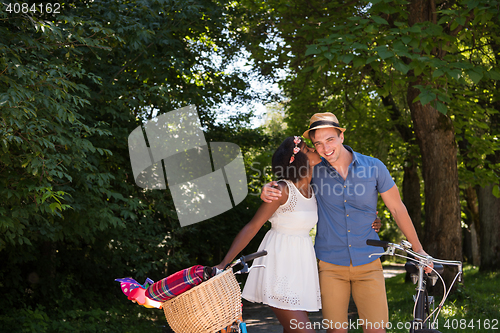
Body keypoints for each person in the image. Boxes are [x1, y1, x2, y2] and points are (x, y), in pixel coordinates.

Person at [261, 113, 432, 333]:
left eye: (330, 139)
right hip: (330, 266)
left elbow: (397, 208)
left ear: (341, 136)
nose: (324, 148)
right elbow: (289, 179)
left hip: (369, 262)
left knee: (377, 329)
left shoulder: (374, 167)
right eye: (318, 144)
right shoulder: (313, 170)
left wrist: (418, 250)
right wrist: (268, 187)